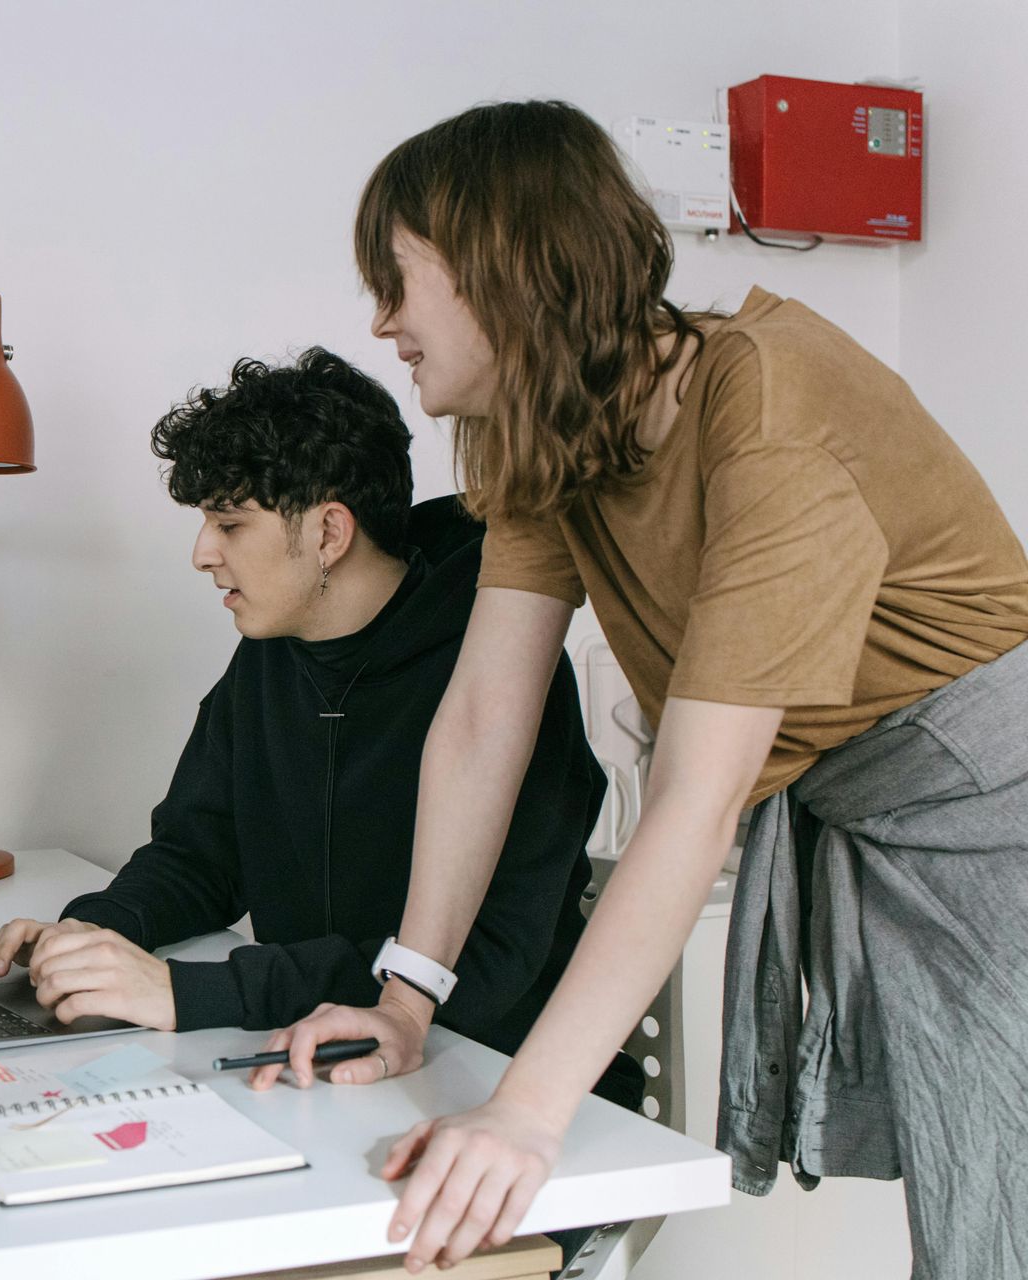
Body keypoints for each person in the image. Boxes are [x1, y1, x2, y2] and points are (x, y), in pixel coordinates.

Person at [257, 100, 1028, 1277]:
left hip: (995, 811)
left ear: (503, 270)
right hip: (878, 808)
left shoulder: (770, 412)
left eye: (398, 280)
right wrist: (407, 996)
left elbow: (695, 801)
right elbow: (481, 722)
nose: (383, 320)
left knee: (996, 1220)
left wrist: (527, 1111)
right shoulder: (544, 436)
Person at [0, 349, 635, 1105]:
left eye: (229, 523)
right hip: (324, 1066)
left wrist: (190, 993)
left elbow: (485, 962)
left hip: (499, 1085)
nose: (201, 553)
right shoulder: (271, 653)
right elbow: (202, 854)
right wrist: (95, 935)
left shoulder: (497, 668)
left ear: (329, 533)